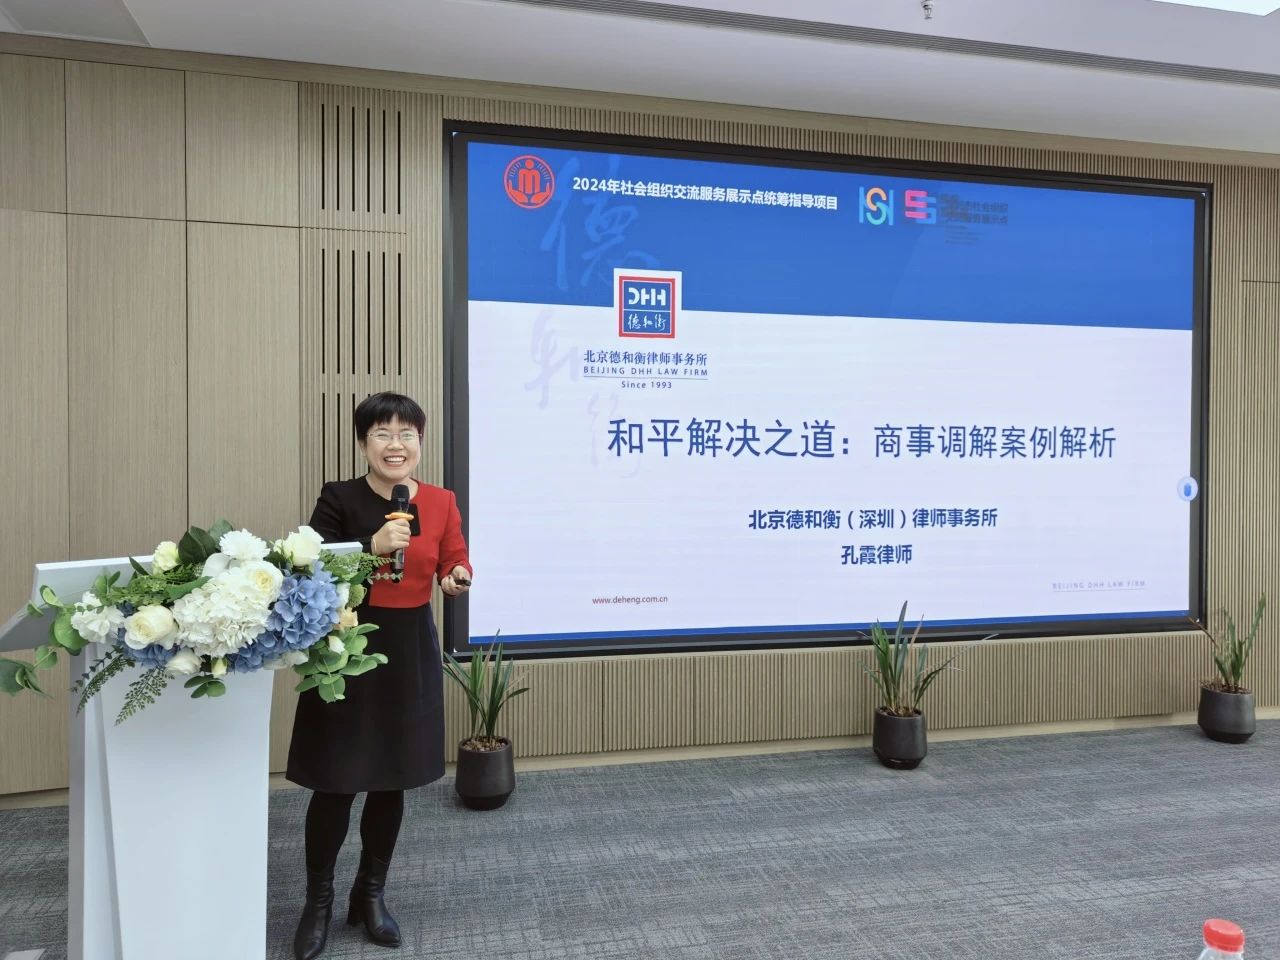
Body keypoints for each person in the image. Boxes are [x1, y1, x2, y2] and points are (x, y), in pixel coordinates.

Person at [288, 392, 472, 960]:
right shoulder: (338, 498)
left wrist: (457, 575)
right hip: (347, 644)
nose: (396, 445)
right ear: (363, 443)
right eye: (382, 434)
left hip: (409, 645)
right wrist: (371, 547)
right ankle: (318, 901)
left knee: (392, 777)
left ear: (421, 441)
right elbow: (310, 570)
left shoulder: (440, 501)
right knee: (337, 780)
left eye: (407, 434)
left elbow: (454, 556)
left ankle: (370, 894)